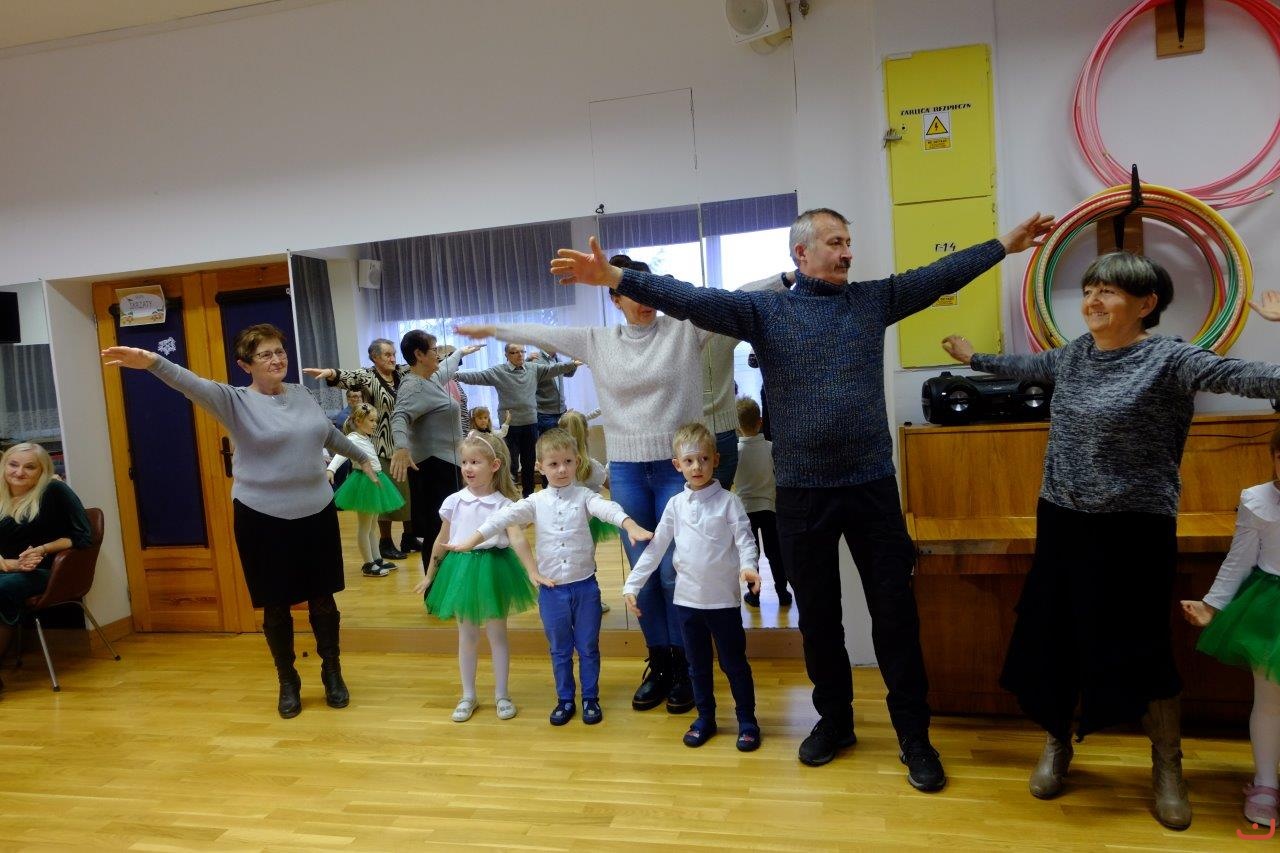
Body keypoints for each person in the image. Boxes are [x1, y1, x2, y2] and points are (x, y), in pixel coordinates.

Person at [549, 207, 1055, 793]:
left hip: (870, 487)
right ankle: (835, 721)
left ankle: (914, 736)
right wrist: (617, 277)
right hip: (801, 494)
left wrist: (1004, 244)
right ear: (802, 253)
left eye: (848, 242)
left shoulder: (872, 300)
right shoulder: (766, 311)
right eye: (835, 242)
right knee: (818, 619)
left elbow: (938, 275)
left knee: (895, 616)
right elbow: (690, 297)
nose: (847, 252)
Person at [942, 255, 1280, 828]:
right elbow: (1025, 364)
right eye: (1090, 290)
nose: (1093, 301)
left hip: (1136, 527)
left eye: (1109, 292)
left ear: (1146, 304)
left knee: (1144, 644)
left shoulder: (1171, 358)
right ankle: (1057, 743)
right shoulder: (1074, 354)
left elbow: (1252, 379)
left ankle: (1167, 764)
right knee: (1057, 635)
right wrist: (974, 357)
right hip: (1062, 520)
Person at [454, 257, 706, 716]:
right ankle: (662, 660)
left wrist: (791, 277)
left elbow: (740, 302)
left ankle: (687, 664)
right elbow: (542, 333)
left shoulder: (686, 329)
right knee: (644, 570)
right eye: (634, 292)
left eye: (651, 291)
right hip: (628, 470)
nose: (646, 301)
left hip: (677, 466)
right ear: (615, 297)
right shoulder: (598, 341)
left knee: (674, 569)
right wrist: (492, 329)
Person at [103, 325, 379, 718]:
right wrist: (151, 362)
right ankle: (287, 680)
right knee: (276, 603)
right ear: (245, 364)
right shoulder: (233, 401)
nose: (276, 359)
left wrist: (361, 456)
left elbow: (326, 435)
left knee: (323, 598)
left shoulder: (301, 394)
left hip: (316, 511)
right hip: (261, 516)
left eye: (279, 351)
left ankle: (332, 671)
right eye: (265, 354)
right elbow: (188, 382)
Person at [447, 428, 651, 726]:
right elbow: (500, 519)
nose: (562, 469)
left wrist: (629, 524)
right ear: (540, 467)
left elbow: (608, 508)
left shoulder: (585, 497)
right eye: (554, 464)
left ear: (577, 461)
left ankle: (590, 698)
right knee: (559, 649)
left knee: (588, 647)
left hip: (585, 588)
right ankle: (565, 699)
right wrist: (471, 540)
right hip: (552, 591)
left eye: (568, 462)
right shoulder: (535, 502)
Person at [623, 423, 762, 751]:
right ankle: (705, 718)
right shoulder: (675, 505)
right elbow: (656, 548)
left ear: (716, 459)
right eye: (689, 461)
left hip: (723, 603)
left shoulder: (729, 502)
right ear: (677, 465)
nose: (697, 466)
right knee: (697, 666)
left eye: (703, 459)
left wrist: (749, 566)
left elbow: (745, 539)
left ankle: (747, 721)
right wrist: (632, 584)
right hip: (687, 604)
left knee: (734, 664)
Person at [1182, 422, 1280, 827]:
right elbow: (1239, 559)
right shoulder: (1258, 500)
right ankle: (1266, 783)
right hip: (1271, 611)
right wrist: (1212, 606)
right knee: (1270, 700)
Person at [415, 431, 550, 722]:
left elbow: (517, 539)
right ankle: (468, 695)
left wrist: (532, 570)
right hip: (461, 570)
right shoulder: (454, 501)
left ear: (495, 465)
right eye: (464, 462)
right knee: (467, 635)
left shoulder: (504, 505)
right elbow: (442, 539)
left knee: (497, 634)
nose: (468, 468)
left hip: (494, 569)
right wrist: (429, 576)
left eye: (475, 462)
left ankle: (502, 694)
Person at [306, 339, 417, 560]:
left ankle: (409, 537)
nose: (392, 358)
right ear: (375, 357)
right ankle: (385, 542)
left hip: (403, 444)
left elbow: (423, 361)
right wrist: (330, 372)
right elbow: (349, 377)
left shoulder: (401, 372)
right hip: (377, 445)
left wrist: (456, 354)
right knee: (381, 497)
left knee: (406, 493)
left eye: (393, 354)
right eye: (387, 354)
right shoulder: (368, 375)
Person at [0, 442, 92, 695]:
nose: (19, 472)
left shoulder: (55, 491)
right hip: (7, 568)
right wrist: (8, 563)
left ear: (42, 471)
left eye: (30, 467)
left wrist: (41, 549)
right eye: (13, 464)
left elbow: (82, 536)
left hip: (41, 572)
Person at [455, 344, 578, 497]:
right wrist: (455, 375)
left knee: (529, 463)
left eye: (521, 351)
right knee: (511, 464)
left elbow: (554, 369)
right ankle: (511, 497)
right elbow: (476, 376)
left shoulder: (533, 368)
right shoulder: (499, 371)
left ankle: (529, 496)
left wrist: (573, 363)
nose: (519, 355)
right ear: (507, 355)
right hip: (510, 426)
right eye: (514, 352)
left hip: (530, 423)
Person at [388, 331, 467, 571]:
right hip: (434, 469)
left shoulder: (429, 379)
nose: (439, 355)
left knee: (447, 529)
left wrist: (461, 352)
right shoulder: (413, 386)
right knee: (437, 531)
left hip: (446, 466)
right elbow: (399, 416)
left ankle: (445, 584)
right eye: (434, 350)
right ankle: (433, 587)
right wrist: (401, 447)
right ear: (419, 355)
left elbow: (446, 370)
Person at [327, 402, 404, 578]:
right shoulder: (353, 438)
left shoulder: (365, 438)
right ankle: (368, 563)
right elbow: (341, 454)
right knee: (365, 526)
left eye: (375, 420)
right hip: (364, 482)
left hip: (375, 480)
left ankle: (376, 558)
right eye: (371, 420)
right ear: (359, 421)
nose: (375, 424)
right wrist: (331, 469)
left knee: (371, 526)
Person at [734, 396, 791, 608]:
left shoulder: (736, 452)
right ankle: (782, 592)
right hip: (769, 508)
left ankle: (754, 595)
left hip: (745, 511)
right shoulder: (770, 448)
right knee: (775, 554)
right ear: (760, 421)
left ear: (736, 427)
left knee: (751, 555)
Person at [560, 408, 614, 613]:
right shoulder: (592, 466)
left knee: (565, 558)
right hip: (588, 522)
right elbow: (611, 486)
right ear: (587, 433)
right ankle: (592, 600)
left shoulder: (556, 466)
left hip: (562, 520)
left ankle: (566, 600)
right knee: (586, 560)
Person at [529, 349, 579, 436]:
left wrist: (574, 359)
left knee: (564, 440)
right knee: (549, 442)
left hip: (562, 411)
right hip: (545, 414)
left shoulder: (557, 359)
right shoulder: (536, 360)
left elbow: (569, 373)